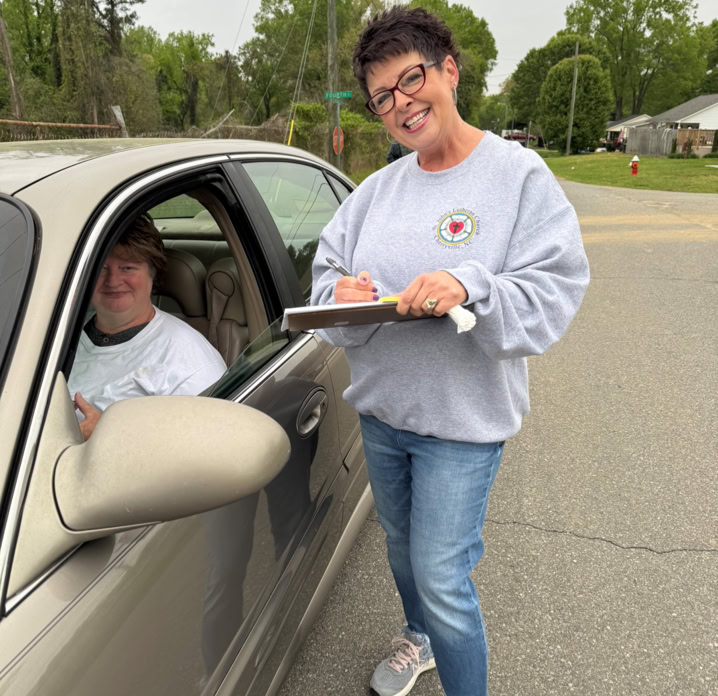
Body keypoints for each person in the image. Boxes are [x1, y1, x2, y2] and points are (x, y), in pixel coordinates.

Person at [310, 7, 590, 696]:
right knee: (403, 551)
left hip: (462, 427)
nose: (402, 104)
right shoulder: (375, 193)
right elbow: (326, 281)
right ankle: (419, 638)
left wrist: (471, 284)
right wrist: (341, 295)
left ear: (450, 71)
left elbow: (554, 292)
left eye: (412, 80)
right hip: (383, 417)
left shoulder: (517, 177)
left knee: (441, 574)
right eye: (383, 96)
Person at [68, 214, 226, 440]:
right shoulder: (58, 331)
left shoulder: (191, 364)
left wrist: (108, 437)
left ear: (153, 272)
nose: (113, 281)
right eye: (102, 268)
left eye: (128, 267)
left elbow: (206, 445)